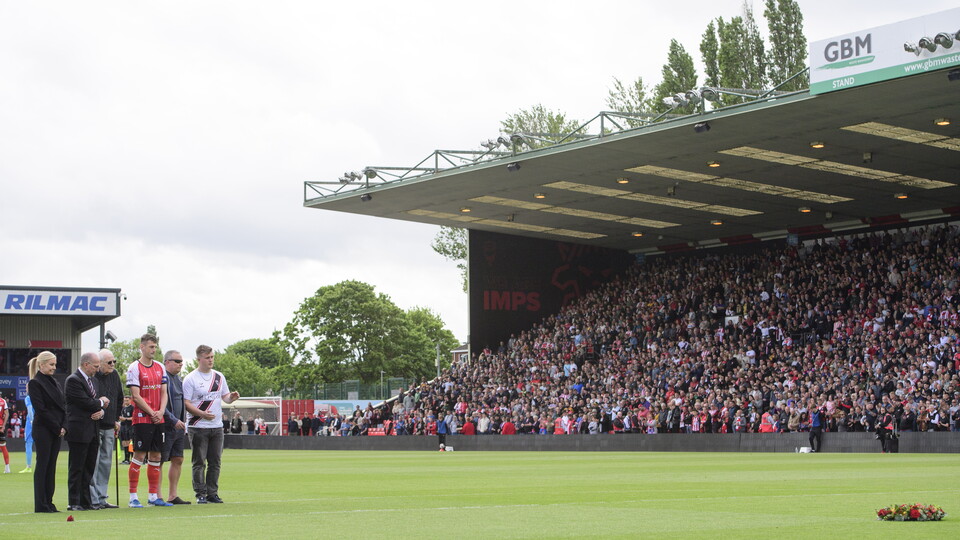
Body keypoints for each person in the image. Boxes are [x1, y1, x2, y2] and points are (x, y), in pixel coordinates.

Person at [183, 345, 239, 504]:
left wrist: (232, 397)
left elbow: (225, 397)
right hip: (198, 425)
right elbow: (186, 403)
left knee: (215, 461)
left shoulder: (219, 377)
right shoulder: (190, 378)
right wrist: (201, 414)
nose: (210, 360)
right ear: (199, 359)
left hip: (217, 426)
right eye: (207, 358)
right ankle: (200, 493)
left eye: (212, 357)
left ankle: (212, 493)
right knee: (199, 461)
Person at [126, 333, 172, 508]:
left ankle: (153, 496)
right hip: (142, 418)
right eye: (151, 347)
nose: (154, 350)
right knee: (139, 455)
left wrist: (160, 411)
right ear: (142, 347)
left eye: (155, 347)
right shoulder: (134, 368)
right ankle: (133, 497)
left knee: (156, 455)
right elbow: (136, 396)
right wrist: (152, 412)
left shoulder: (160, 367)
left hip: (157, 418)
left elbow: (163, 392)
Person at [65, 352, 111, 511]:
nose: (97, 370)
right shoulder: (73, 380)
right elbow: (85, 402)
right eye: (96, 366)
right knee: (77, 467)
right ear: (86, 364)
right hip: (78, 430)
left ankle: (86, 501)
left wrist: (102, 411)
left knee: (89, 467)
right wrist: (101, 402)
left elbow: (96, 405)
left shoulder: (95, 381)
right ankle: (74, 501)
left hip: (93, 430)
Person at [28, 351, 66, 513]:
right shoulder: (35, 383)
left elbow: (63, 406)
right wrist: (57, 427)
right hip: (44, 429)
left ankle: (49, 502)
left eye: (55, 364)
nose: (54, 367)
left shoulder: (54, 382)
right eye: (51, 364)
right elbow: (41, 410)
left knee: (51, 467)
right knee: (43, 465)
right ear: (41, 365)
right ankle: (41, 503)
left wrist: (64, 426)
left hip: (56, 429)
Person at [89, 349, 124, 509]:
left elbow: (120, 397)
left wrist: (116, 419)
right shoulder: (93, 376)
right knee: (94, 462)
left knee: (105, 462)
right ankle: (93, 497)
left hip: (110, 425)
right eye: (109, 362)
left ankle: (102, 497)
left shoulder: (115, 375)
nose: (112, 365)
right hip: (95, 425)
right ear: (100, 363)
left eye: (113, 362)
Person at [161, 350, 190, 505]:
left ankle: (173, 495)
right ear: (167, 362)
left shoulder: (179, 380)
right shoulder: (162, 378)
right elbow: (160, 404)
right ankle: (156, 495)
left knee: (178, 459)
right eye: (177, 361)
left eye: (181, 361)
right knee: (158, 460)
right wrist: (172, 419)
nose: (180, 364)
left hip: (178, 427)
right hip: (165, 426)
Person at [19, 394, 35, 473]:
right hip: (41, 421)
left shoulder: (28, 398)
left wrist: (32, 421)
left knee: (28, 443)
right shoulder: (41, 396)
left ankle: (28, 467)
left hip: (31, 423)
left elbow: (30, 409)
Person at [119, 396, 133, 464]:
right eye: (125, 400)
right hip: (123, 426)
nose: (126, 402)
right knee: (124, 443)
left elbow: (134, 418)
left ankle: (132, 459)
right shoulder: (123, 408)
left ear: (130, 400)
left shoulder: (132, 408)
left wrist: (126, 419)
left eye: (127, 400)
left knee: (130, 442)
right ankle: (126, 459)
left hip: (130, 427)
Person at [0, 395, 9, 473]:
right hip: (0, 426)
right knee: (3, 447)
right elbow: (7, 413)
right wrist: (3, 426)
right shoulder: (3, 401)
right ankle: (7, 468)